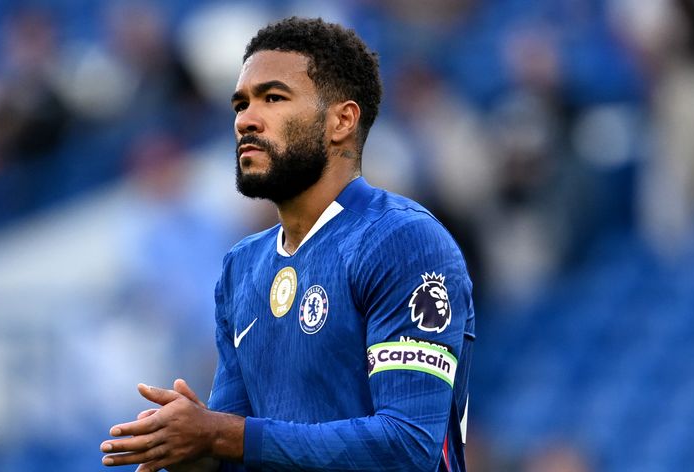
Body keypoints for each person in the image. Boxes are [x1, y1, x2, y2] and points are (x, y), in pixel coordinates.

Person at [101, 17, 475, 472]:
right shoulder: (242, 267)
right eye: (241, 104)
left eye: (273, 98)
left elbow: (407, 445)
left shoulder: (403, 242)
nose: (245, 120)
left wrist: (221, 435)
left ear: (341, 120)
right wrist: (192, 453)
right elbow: (244, 449)